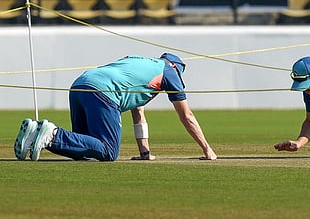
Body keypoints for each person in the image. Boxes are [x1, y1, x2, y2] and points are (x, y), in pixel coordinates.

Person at [14, 53, 217, 162]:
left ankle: (36, 134)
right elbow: (187, 116)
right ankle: (53, 133)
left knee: (83, 149)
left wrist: (144, 154)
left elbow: (138, 114)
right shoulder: (169, 72)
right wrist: (207, 149)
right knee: (109, 152)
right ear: (175, 67)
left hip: (80, 85)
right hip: (103, 93)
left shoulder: (138, 61)